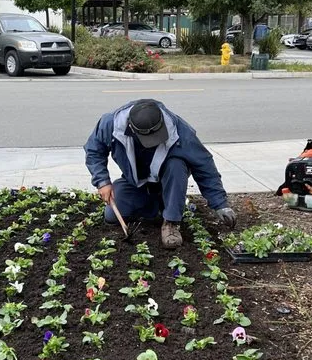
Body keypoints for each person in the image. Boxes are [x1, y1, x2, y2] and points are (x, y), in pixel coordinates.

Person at [84, 99, 237, 249]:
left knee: (176, 164)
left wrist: (220, 205)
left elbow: (204, 166)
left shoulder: (180, 131)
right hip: (137, 183)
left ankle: (171, 222)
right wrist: (102, 181)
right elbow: (94, 150)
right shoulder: (110, 124)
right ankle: (159, 205)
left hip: (168, 181)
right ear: (132, 129)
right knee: (111, 215)